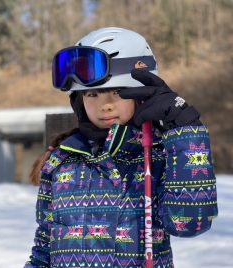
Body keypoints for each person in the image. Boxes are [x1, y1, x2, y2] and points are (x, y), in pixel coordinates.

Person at [24, 27, 218, 268]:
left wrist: (187, 133)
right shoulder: (61, 160)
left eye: (117, 92)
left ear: (142, 96)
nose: (104, 105)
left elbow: (190, 223)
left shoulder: (156, 157)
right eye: (92, 94)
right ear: (78, 101)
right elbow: (44, 249)